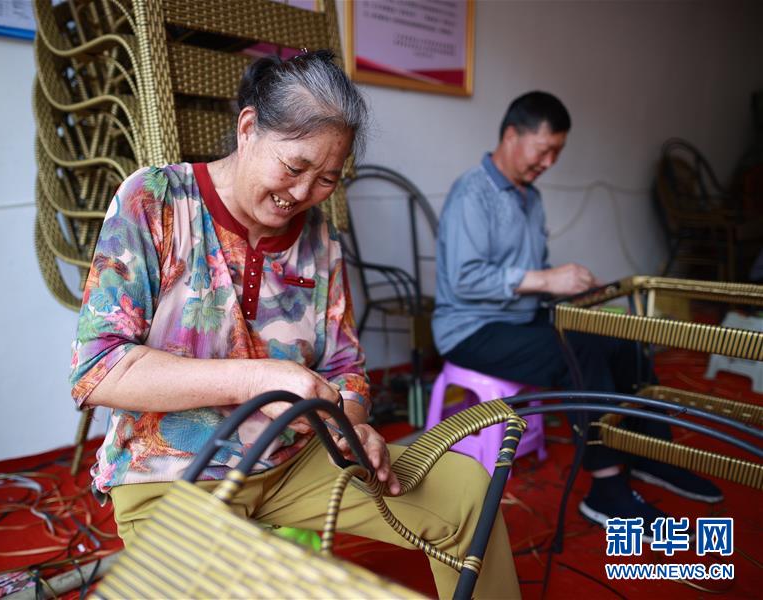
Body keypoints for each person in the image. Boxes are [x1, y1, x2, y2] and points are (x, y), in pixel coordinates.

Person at [70, 50, 520, 599]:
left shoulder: (320, 238)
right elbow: (98, 370)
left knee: (466, 491)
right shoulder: (156, 199)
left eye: (327, 178)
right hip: (172, 475)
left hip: (296, 458)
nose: (303, 194)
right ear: (248, 129)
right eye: (294, 167)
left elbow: (345, 366)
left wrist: (351, 424)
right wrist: (260, 378)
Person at [432, 91, 722, 538]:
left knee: (622, 338)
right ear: (511, 135)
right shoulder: (472, 192)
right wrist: (549, 279)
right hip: (471, 329)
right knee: (579, 351)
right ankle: (606, 489)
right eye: (544, 149)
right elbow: (464, 278)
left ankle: (651, 454)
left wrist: (573, 289)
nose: (549, 162)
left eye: (558, 152)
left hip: (521, 319)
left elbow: (530, 276)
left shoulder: (531, 198)